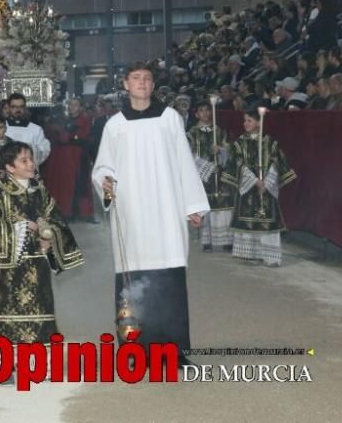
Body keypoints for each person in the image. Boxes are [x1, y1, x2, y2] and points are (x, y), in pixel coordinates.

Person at [92, 63, 209, 364]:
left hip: (166, 207)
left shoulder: (170, 119)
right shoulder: (115, 124)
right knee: (133, 278)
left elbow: (184, 161)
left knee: (169, 276)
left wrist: (193, 205)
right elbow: (104, 165)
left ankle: (174, 352)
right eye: (136, 78)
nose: (142, 83)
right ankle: (135, 349)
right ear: (126, 85)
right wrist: (105, 180)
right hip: (131, 209)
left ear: (153, 85)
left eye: (147, 78)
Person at [0, 142, 83, 347]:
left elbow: (58, 223)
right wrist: (19, 228)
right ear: (10, 167)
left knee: (40, 314)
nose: (31, 164)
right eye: (24, 160)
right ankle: (4, 363)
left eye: (31, 159)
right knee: (7, 318)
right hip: (9, 271)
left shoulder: (40, 192)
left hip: (38, 267)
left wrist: (49, 237)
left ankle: (38, 362)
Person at [222, 109, 297, 267]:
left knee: (267, 221)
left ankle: (270, 257)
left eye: (249, 120)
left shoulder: (271, 143)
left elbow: (278, 163)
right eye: (244, 121)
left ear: (259, 122)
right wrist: (255, 181)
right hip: (248, 188)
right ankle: (249, 254)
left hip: (266, 189)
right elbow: (237, 164)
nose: (245, 124)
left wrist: (268, 182)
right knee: (248, 219)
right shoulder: (239, 143)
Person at [187, 101, 232, 252]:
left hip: (219, 172)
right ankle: (207, 240)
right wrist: (203, 166)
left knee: (223, 204)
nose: (205, 113)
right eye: (202, 111)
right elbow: (187, 153)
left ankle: (226, 239)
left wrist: (220, 150)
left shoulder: (219, 131)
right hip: (201, 174)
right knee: (205, 206)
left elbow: (229, 149)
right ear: (196, 114)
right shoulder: (191, 133)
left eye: (208, 110)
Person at [42, 98, 95, 221]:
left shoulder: (84, 119)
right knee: (67, 184)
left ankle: (79, 213)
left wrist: (66, 135)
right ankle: (68, 212)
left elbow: (80, 137)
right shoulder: (66, 120)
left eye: (75, 105)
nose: (73, 107)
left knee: (78, 183)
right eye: (71, 105)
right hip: (66, 157)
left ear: (80, 107)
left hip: (78, 156)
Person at [5, 92, 51, 166]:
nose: (18, 110)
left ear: (25, 108)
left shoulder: (36, 129)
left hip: (28, 169)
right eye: (14, 107)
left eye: (21, 106)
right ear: (9, 108)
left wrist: (30, 149)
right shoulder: (1, 127)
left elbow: (44, 150)